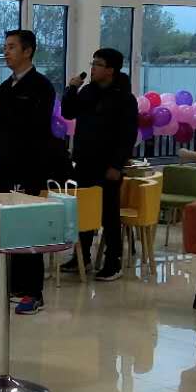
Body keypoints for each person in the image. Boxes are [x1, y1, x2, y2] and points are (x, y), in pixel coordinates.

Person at [0, 30, 56, 314]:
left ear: (28, 51)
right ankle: (12, 284)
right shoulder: (6, 86)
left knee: (27, 227)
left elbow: (34, 126)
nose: (6, 52)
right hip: (4, 166)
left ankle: (33, 291)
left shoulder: (41, 86)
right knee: (8, 228)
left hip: (28, 166)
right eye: (5, 47)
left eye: (11, 47)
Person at [60, 48, 137, 283]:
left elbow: (127, 135)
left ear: (110, 70)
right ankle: (81, 257)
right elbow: (68, 112)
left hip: (108, 166)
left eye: (98, 64)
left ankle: (113, 261)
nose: (93, 68)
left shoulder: (124, 98)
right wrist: (71, 89)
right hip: (84, 161)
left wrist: (117, 165)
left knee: (108, 214)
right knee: (83, 211)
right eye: (92, 63)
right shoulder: (87, 91)